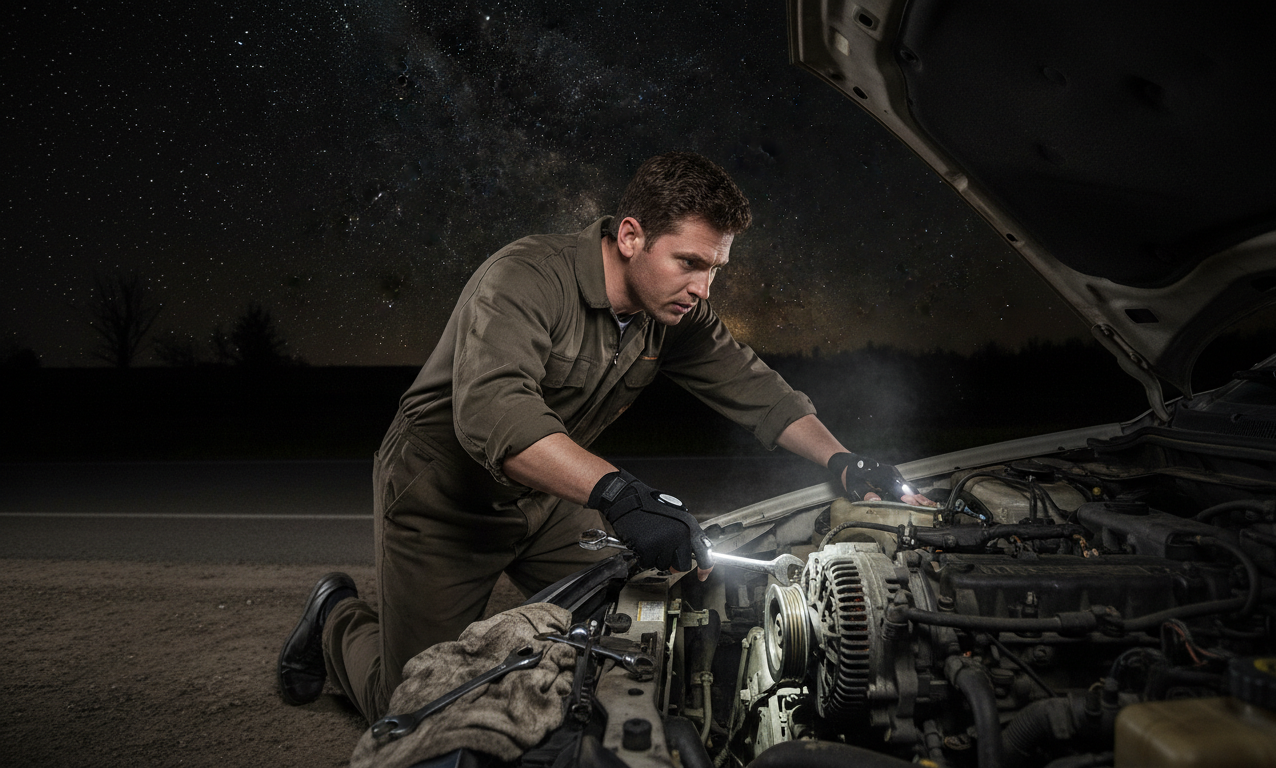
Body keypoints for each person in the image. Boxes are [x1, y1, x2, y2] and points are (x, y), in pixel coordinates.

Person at [276, 152, 931, 722]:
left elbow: (756, 388)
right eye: (690, 263)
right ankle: (337, 618)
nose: (703, 289)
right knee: (415, 704)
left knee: (650, 623)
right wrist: (620, 493)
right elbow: (495, 416)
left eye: (716, 270)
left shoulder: (673, 312)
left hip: (549, 498)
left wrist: (842, 460)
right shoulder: (524, 280)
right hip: (444, 496)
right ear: (630, 236)